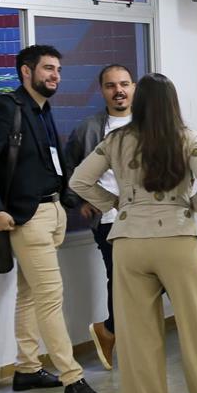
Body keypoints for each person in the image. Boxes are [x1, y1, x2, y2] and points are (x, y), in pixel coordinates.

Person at [70, 73, 197, 393]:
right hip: (176, 239)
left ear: (139, 100)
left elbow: (79, 181)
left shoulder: (115, 140)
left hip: (128, 241)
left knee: (137, 339)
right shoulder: (186, 137)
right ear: (172, 103)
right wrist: (192, 207)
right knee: (196, 329)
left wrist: (114, 204)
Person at [0, 44, 102, 393]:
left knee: (29, 293)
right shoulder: (6, 108)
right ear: (26, 72)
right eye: (47, 68)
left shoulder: (42, 110)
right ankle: (72, 377)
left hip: (52, 211)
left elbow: (50, 163)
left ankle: (27, 367)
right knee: (50, 296)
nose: (55, 75)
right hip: (27, 218)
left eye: (58, 69)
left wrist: (67, 200)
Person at [66, 64, 135, 370]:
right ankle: (115, 332)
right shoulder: (89, 129)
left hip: (147, 215)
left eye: (124, 84)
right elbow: (70, 169)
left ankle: (109, 329)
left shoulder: (148, 123)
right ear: (102, 90)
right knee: (119, 279)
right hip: (109, 219)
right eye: (111, 85)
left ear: (133, 87)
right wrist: (80, 200)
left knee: (156, 277)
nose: (118, 90)